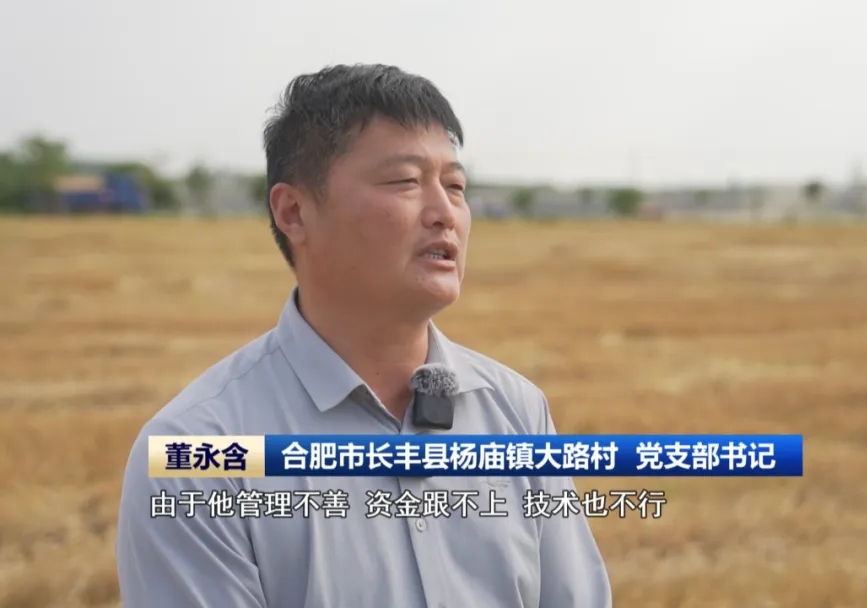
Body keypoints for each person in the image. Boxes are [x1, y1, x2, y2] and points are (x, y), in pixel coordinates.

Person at [115, 64, 612, 608]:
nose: (445, 214)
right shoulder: (199, 457)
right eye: (405, 182)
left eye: (455, 186)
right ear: (294, 212)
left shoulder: (517, 413)